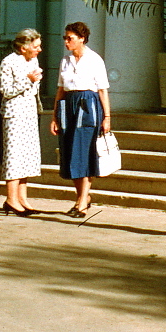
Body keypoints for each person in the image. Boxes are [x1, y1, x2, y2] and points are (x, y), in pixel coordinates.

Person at [48, 21, 111, 218]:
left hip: (88, 105)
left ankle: (83, 201)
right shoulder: (65, 61)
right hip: (68, 105)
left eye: (70, 38)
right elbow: (60, 89)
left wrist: (107, 117)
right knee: (69, 151)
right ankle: (81, 197)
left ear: (81, 39)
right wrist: (55, 116)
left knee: (84, 152)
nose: (66, 42)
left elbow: (102, 90)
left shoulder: (94, 60)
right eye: (65, 38)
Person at [0, 28, 45, 216]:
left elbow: (35, 86)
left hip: (29, 112)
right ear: (24, 47)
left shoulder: (33, 60)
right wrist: (28, 80)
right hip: (14, 113)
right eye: (36, 46)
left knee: (27, 155)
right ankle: (11, 198)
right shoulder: (8, 62)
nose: (39, 50)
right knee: (14, 155)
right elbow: (6, 90)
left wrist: (34, 81)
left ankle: (22, 198)